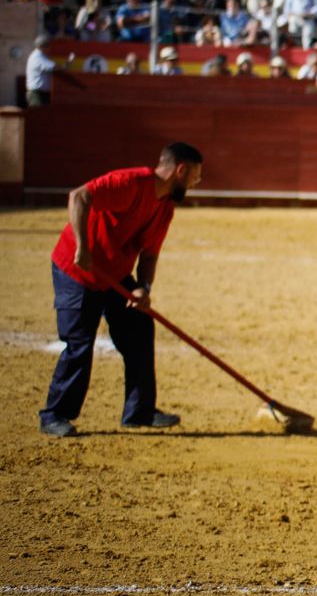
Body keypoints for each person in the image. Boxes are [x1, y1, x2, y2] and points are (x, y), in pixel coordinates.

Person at [40, 142, 205, 437]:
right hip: (77, 271)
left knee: (139, 328)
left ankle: (139, 411)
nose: (197, 182)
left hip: (113, 275)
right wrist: (82, 246)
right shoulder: (130, 183)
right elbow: (79, 196)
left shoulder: (164, 208)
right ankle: (54, 415)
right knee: (80, 342)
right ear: (181, 170)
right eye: (195, 175)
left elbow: (149, 254)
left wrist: (143, 288)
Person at [26, 34, 58, 107]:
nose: (50, 49)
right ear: (43, 46)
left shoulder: (41, 56)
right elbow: (52, 67)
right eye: (48, 46)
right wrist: (63, 68)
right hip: (37, 93)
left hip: (41, 93)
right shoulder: (37, 56)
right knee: (38, 113)